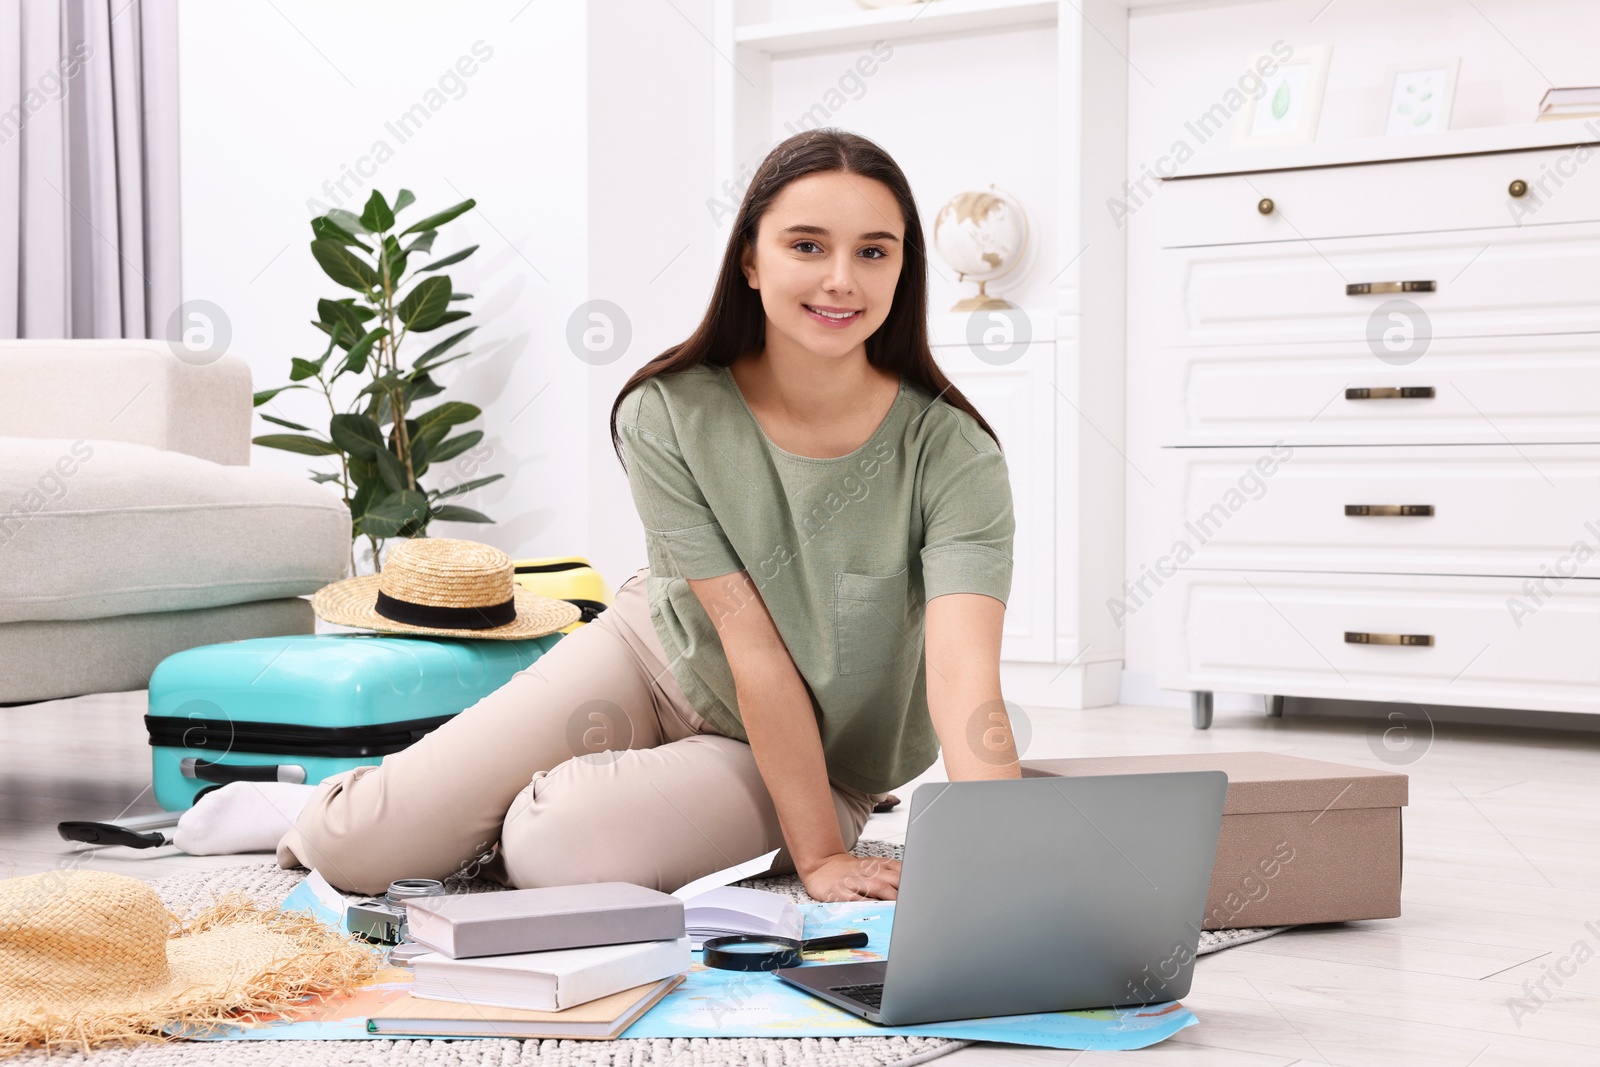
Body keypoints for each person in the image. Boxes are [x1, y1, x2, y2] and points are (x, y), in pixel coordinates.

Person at [263, 127, 1020, 902]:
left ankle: (514, 815)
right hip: (654, 654)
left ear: (903, 268)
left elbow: (965, 682)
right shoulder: (667, 411)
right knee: (351, 849)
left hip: (815, 760)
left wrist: (995, 862)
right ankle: (309, 808)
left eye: (873, 251)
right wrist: (816, 862)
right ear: (751, 261)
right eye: (806, 245)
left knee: (552, 846)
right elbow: (748, 643)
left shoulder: (953, 454)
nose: (840, 280)